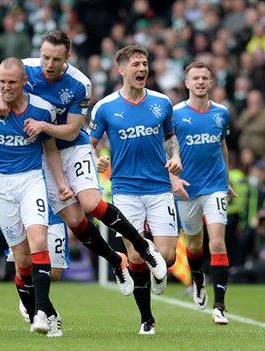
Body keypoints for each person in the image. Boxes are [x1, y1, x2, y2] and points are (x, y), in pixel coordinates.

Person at [0, 30, 166, 297]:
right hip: (43, 153)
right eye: (45, 57)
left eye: (55, 59)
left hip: (72, 148)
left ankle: (144, 248)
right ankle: (116, 261)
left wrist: (43, 125)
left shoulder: (79, 83)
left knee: (90, 204)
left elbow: (73, 130)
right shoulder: (25, 69)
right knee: (75, 220)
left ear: (67, 57)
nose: (49, 65)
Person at [0, 57, 69, 337]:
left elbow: (52, 150)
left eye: (11, 82)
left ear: (24, 82)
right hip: (2, 188)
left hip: (32, 181)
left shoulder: (43, 110)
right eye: (2, 82)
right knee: (22, 260)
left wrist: (61, 183)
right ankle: (37, 310)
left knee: (39, 241)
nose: (6, 88)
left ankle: (42, 312)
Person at [89, 44, 182, 335]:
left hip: (158, 188)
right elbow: (88, 147)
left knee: (167, 257)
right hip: (125, 190)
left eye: (145, 63)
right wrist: (97, 159)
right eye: (136, 64)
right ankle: (147, 319)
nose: (142, 69)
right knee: (138, 256)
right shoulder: (105, 108)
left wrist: (175, 155)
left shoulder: (161, 103)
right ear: (122, 70)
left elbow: (170, 137)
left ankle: (157, 268)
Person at [170, 61, 236, 324]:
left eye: (204, 78)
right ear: (187, 83)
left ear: (211, 83)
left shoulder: (221, 113)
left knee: (217, 242)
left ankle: (219, 306)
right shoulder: (173, 114)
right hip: (187, 189)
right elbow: (166, 149)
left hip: (215, 186)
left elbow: (222, 146)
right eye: (195, 78)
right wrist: (172, 178)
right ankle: (198, 277)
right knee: (194, 244)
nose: (200, 82)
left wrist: (228, 181)